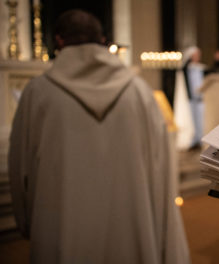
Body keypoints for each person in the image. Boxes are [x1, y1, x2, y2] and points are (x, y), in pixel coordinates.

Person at [8, 9, 190, 264]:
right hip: (133, 231)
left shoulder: (37, 94)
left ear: (59, 40)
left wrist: (26, 221)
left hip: (61, 231)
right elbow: (162, 169)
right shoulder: (139, 92)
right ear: (103, 40)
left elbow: (20, 168)